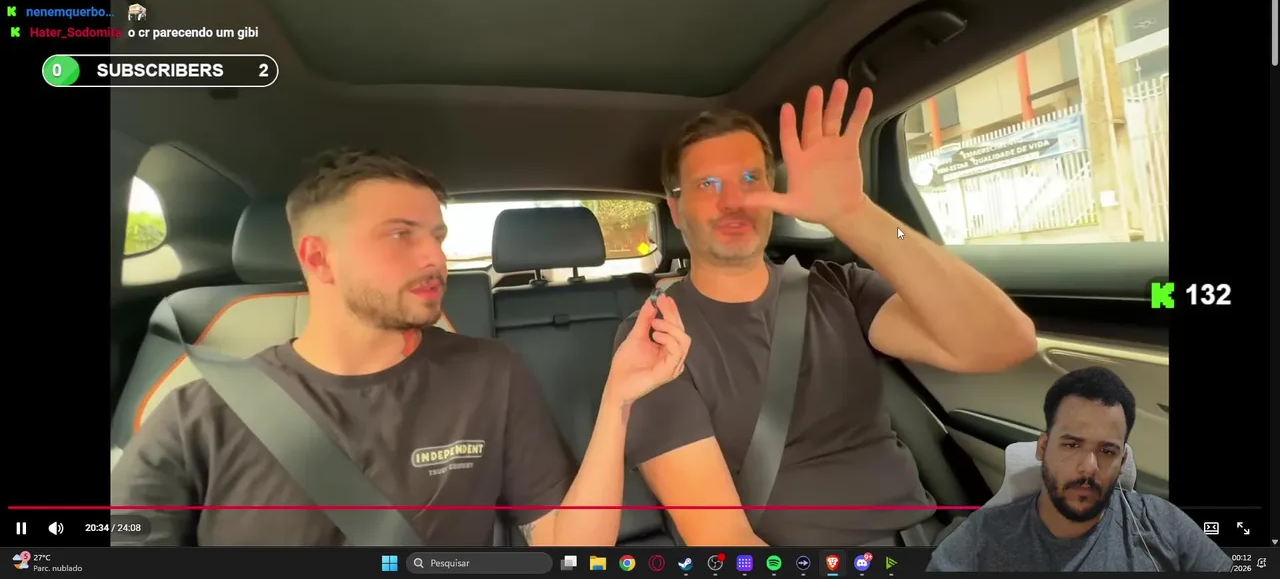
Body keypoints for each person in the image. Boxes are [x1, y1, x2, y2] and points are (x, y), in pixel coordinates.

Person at [112, 148, 692, 546]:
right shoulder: (199, 416)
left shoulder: (489, 374)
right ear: (318, 257)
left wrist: (618, 399)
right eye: (399, 234)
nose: (433, 257)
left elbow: (566, 546)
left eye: (437, 236)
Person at [616, 79, 1038, 547]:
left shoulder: (841, 288)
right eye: (707, 184)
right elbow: (724, 541)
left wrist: (856, 213)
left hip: (931, 542)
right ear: (676, 210)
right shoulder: (656, 338)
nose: (733, 200)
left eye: (750, 179)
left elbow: (1006, 341)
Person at [927, 367, 1231, 572]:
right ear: (1043, 447)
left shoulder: (1162, 524)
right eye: (1072, 445)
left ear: (1122, 460)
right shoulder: (981, 540)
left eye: (1107, 451)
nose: (1089, 468)